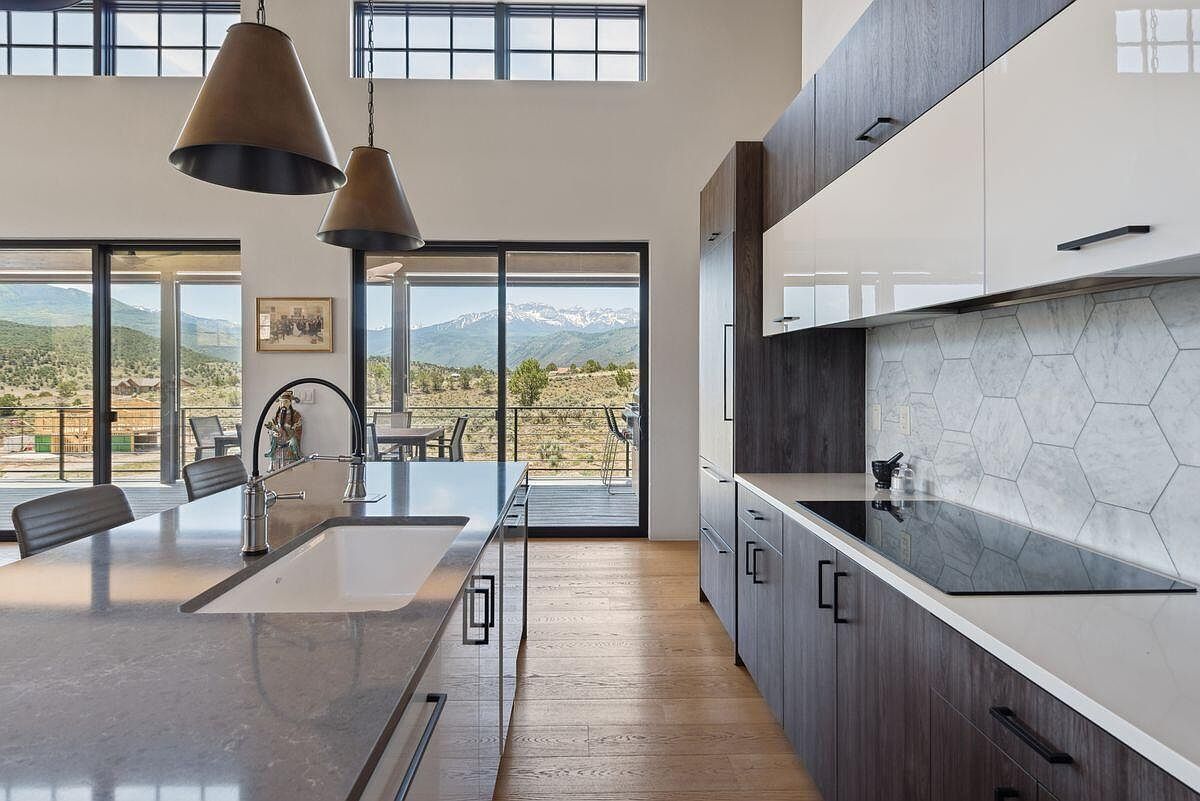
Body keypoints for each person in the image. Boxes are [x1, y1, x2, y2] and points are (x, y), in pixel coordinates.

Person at [264, 390, 303, 469]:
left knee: (290, 467)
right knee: (276, 470)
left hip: (289, 442)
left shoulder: (296, 415)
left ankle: (296, 457)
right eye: (281, 402)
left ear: (290, 402)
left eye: (285, 402)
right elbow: (271, 428)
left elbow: (298, 429)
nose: (283, 404)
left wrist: (290, 430)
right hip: (278, 443)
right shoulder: (276, 416)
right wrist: (273, 432)